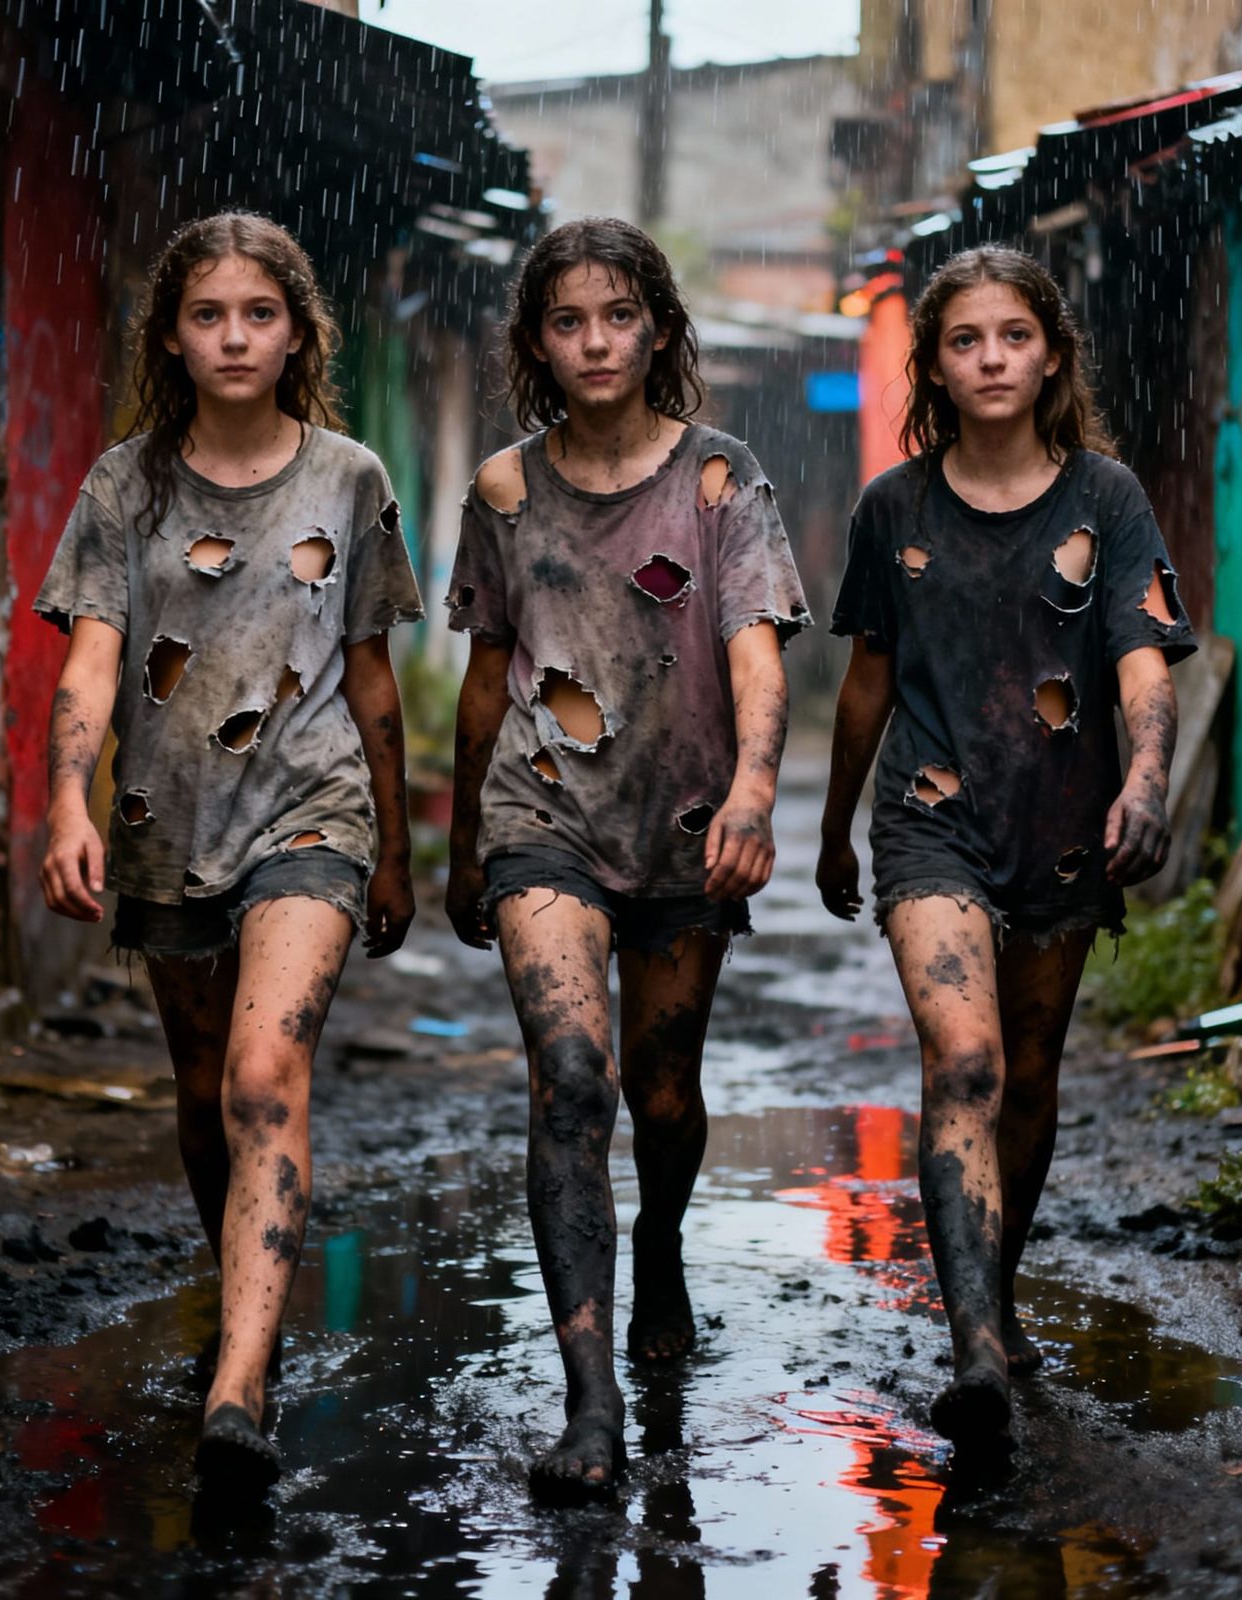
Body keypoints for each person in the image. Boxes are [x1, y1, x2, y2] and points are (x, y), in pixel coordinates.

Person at [35, 212, 422, 1489]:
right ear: (173, 336)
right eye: (208, 315)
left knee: (265, 1073)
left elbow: (371, 675)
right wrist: (67, 801)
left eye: (259, 313)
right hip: (163, 820)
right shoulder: (124, 486)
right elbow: (90, 655)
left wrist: (400, 845)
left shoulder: (352, 480)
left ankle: (239, 1387)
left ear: (297, 330)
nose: (235, 336)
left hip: (311, 812)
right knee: (207, 1097)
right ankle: (239, 1294)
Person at [445, 217, 810, 1501]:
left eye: (616, 316)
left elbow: (760, 649)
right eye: (566, 320)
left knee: (662, 1100)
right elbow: (488, 667)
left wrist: (755, 795)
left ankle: (659, 1241)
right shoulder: (502, 488)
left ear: (657, 326)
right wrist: (455, 846)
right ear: (534, 341)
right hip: (538, 818)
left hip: (682, 827)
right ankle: (588, 1400)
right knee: (568, 1079)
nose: (593, 341)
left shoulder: (721, 480)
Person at [817, 245, 1194, 1453]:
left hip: (1065, 829)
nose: (990, 359)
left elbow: (1142, 654)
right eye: (965, 340)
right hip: (930, 823)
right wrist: (831, 828)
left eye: (1012, 337)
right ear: (932, 363)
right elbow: (867, 676)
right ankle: (974, 1341)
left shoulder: (1107, 499)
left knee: (1025, 1080)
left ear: (1049, 354)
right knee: (966, 1060)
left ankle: (995, 1289)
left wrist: (1145, 775)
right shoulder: (894, 507)